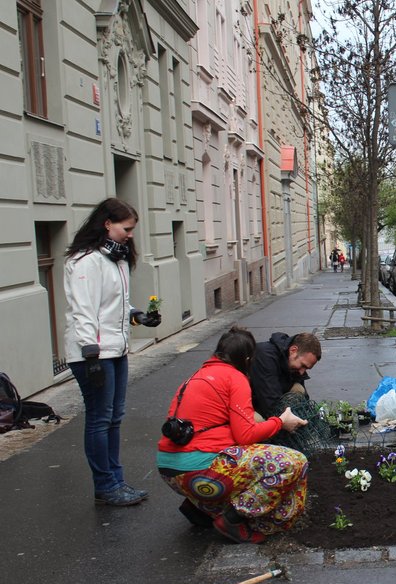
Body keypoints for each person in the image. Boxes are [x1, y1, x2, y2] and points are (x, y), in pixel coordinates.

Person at [157, 327, 309, 544]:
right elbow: (246, 435)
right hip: (199, 471)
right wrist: (280, 422)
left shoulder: (196, 377)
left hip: (171, 472)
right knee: (293, 462)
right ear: (247, 359)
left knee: (239, 457)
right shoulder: (234, 378)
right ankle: (233, 519)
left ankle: (200, 508)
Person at [64, 198, 162, 507]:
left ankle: (116, 481)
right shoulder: (84, 262)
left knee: (114, 418)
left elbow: (115, 305)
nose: (131, 234)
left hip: (116, 350)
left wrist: (138, 316)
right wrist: (91, 355)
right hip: (93, 354)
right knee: (99, 419)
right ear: (107, 223)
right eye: (126, 228)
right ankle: (105, 486)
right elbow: (83, 311)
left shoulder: (116, 259)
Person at [249, 332, 322, 420]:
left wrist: (308, 417)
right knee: (259, 422)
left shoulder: (291, 362)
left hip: (267, 398)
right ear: (293, 350)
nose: (302, 372)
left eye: (306, 368)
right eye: (303, 365)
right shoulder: (265, 356)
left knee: (298, 389)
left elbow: (304, 399)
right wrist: (288, 421)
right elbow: (270, 402)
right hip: (244, 404)